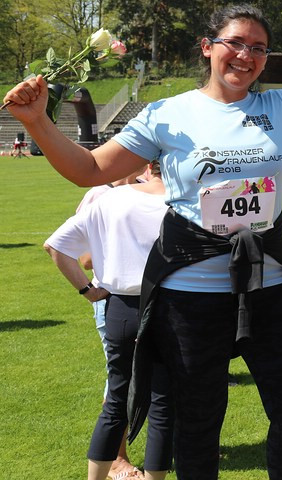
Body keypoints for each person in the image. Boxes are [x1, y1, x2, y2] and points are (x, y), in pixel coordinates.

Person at [1, 0, 282, 479]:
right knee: (198, 425)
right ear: (208, 47)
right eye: (235, 42)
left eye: (257, 47)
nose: (245, 55)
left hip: (269, 288)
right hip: (190, 297)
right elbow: (89, 169)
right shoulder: (167, 115)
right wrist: (37, 122)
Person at [44, 162, 172, 480]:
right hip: (168, 306)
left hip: (119, 307)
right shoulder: (185, 199)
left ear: (147, 163)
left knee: (117, 398)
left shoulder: (111, 198)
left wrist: (88, 290)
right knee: (161, 402)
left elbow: (56, 246)